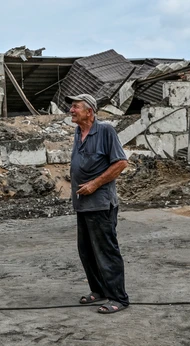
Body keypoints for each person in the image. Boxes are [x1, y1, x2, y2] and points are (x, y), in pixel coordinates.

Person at [67, 94, 129, 314]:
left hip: (100, 204)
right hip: (82, 204)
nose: (71, 110)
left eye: (75, 107)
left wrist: (94, 184)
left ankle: (118, 298)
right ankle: (100, 290)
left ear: (89, 111)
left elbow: (121, 163)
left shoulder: (105, 131)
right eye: (71, 107)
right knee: (86, 251)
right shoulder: (78, 132)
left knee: (105, 251)